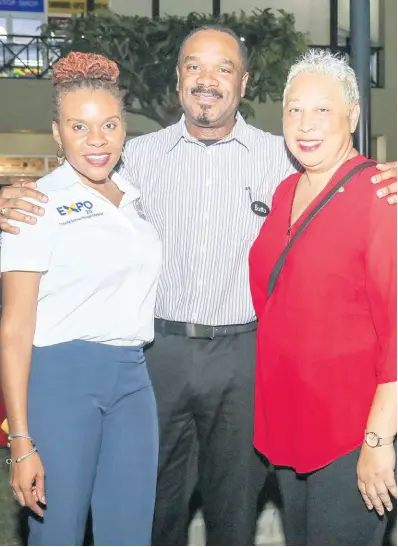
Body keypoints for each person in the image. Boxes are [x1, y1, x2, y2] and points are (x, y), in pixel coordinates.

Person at [0, 27, 396, 546]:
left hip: (244, 360)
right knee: (148, 505)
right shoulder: (130, 156)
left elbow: (349, 179)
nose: (207, 81)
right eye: (194, 67)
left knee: (235, 507)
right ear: (178, 77)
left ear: (244, 82)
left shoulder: (286, 157)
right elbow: (73, 182)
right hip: (153, 359)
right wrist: (11, 197)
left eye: (223, 69)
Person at [0, 52, 161, 546]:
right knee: (59, 531)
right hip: (61, 382)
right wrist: (21, 440)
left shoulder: (133, 200)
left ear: (123, 128)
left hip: (133, 380)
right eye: (80, 126)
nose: (97, 140)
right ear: (57, 132)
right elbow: (14, 328)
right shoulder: (35, 205)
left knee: (130, 533)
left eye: (109, 124)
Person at [249, 50, 397, 546]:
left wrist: (378, 442)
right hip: (289, 424)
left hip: (349, 433)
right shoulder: (286, 189)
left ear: (353, 116)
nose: (305, 124)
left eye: (322, 110)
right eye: (294, 109)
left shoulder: (380, 196)